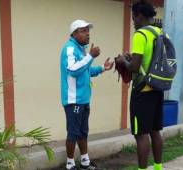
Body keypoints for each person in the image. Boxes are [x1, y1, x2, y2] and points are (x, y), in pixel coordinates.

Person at [115, 1, 164, 170]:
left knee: (141, 134)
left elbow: (135, 67)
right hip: (157, 88)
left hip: (142, 90)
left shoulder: (140, 35)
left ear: (140, 16)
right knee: (155, 131)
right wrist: (132, 60)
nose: (133, 21)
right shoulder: (161, 32)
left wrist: (123, 60)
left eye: (134, 16)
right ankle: (158, 167)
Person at [60, 19, 114, 170]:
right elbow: (73, 70)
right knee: (73, 132)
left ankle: (85, 162)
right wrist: (90, 56)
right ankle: (70, 164)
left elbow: (86, 70)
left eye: (88, 30)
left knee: (83, 132)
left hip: (83, 99)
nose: (88, 33)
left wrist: (103, 68)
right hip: (73, 100)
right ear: (74, 33)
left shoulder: (81, 50)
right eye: (84, 31)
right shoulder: (70, 49)